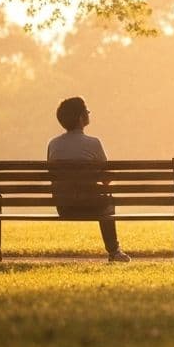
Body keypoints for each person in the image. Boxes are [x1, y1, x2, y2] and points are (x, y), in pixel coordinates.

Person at [47, 96, 130, 262]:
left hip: (64, 207)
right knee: (108, 200)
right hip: (92, 206)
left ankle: (114, 251)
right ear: (80, 118)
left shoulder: (53, 144)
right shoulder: (94, 143)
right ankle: (114, 251)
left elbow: (52, 176)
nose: (89, 113)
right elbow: (106, 179)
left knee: (102, 200)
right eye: (86, 110)